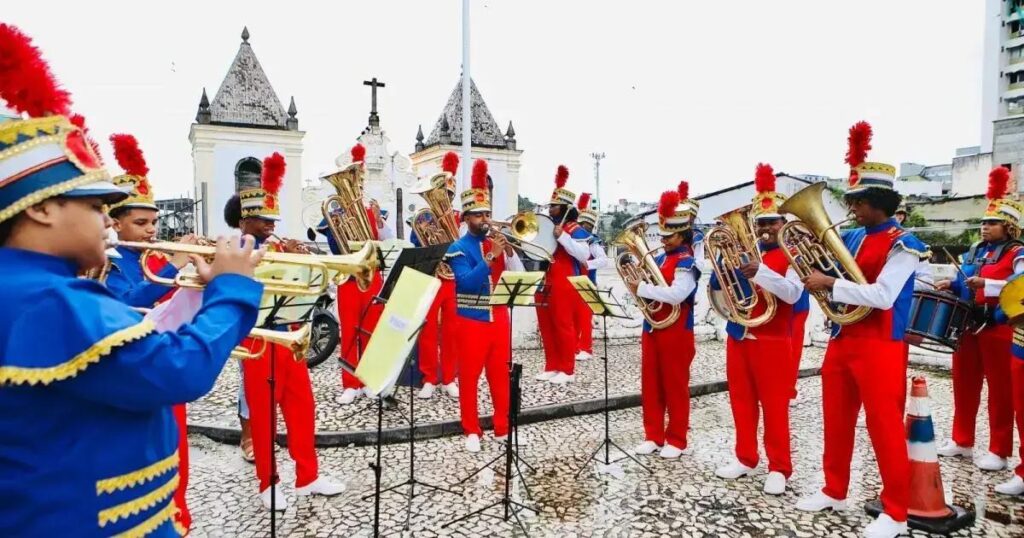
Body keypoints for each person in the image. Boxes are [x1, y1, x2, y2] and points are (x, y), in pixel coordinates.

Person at [0, 23, 265, 536]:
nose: (106, 220)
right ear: (45, 210)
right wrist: (230, 291)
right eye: (97, 206)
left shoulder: (34, 289)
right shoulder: (46, 299)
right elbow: (178, 371)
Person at [794, 122, 930, 538]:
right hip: (843, 337)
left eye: (857, 201)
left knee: (883, 426)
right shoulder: (850, 236)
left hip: (879, 344)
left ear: (877, 202)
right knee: (835, 418)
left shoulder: (904, 242)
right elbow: (825, 264)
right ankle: (834, 489)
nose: (851, 208)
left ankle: (897, 512)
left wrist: (830, 283)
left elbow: (885, 295)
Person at [226, 153, 344, 510]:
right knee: (263, 415)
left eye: (272, 220)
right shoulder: (233, 250)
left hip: (291, 335)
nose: (270, 226)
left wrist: (305, 262)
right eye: (264, 221)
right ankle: (268, 482)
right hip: (257, 340)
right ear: (246, 220)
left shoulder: (278, 247)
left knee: (302, 406)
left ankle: (308, 476)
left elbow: (308, 291)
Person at [103, 132, 201, 532]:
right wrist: (173, 267)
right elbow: (127, 302)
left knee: (178, 459)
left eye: (154, 222)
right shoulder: (110, 263)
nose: (150, 230)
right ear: (115, 222)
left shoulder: (153, 257)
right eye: (140, 223)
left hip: (164, 363)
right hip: (134, 375)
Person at [710, 164, 804, 494]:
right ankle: (745, 457)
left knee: (775, 406)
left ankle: (780, 466)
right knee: (741, 402)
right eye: (760, 223)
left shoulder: (794, 255)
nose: (765, 229)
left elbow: (793, 293)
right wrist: (724, 264)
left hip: (773, 339)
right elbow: (720, 291)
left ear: (783, 224)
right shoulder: (743, 253)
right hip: (740, 336)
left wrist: (760, 272)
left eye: (771, 223)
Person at [933, 166, 1023, 472]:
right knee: (963, 384)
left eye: (993, 223)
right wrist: (953, 284)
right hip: (969, 325)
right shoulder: (975, 251)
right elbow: (968, 279)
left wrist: (989, 286)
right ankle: (962, 441)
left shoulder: (1017, 253)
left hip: (998, 327)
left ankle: (999, 450)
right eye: (984, 222)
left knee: (1000, 392)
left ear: (1009, 226)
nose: (985, 227)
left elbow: (1019, 284)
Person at [447, 159, 524, 452]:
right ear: (466, 217)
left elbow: (516, 274)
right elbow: (465, 282)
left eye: (487, 214)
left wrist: (511, 250)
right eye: (478, 215)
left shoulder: (497, 242)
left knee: (500, 377)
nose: (485, 219)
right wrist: (490, 257)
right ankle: (471, 430)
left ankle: (503, 427)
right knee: (469, 378)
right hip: (471, 319)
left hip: (499, 318)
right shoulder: (458, 248)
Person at [625, 181, 700, 460]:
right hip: (654, 326)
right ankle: (653, 434)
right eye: (663, 234)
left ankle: (677, 439)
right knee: (651, 383)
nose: (664, 239)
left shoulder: (687, 261)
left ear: (683, 235)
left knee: (675, 385)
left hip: (677, 329)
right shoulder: (659, 257)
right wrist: (639, 279)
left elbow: (679, 293)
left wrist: (641, 288)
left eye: (670, 236)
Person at [316, 144, 389, 405]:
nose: (357, 187)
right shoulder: (334, 213)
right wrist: (336, 226)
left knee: (370, 331)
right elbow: (336, 248)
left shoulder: (372, 211)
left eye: (359, 181)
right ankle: (350, 383)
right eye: (353, 181)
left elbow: (385, 243)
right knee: (349, 333)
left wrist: (379, 224)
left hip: (371, 277)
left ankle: (369, 380)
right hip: (348, 278)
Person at [410, 151, 462, 399]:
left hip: (453, 279)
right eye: (442, 195)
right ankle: (429, 377)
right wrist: (426, 231)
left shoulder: (460, 219)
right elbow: (415, 244)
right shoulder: (423, 219)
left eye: (448, 196)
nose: (445, 200)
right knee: (428, 328)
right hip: (431, 278)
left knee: (452, 330)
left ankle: (449, 377)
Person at [535, 165, 592, 384]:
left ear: (566, 208)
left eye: (555, 207)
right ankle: (552, 365)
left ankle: (567, 369)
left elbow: (584, 255)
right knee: (546, 325)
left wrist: (563, 238)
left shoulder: (576, 230)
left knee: (563, 325)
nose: (550, 210)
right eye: (550, 206)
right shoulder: (548, 226)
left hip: (564, 282)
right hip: (544, 278)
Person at [574, 192, 608, 362]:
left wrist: (588, 264)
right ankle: (574, 346)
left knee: (585, 317)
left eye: (585, 225)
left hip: (588, 282)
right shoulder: (576, 239)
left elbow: (603, 260)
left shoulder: (593, 240)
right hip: (573, 281)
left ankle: (586, 348)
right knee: (573, 317)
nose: (582, 228)